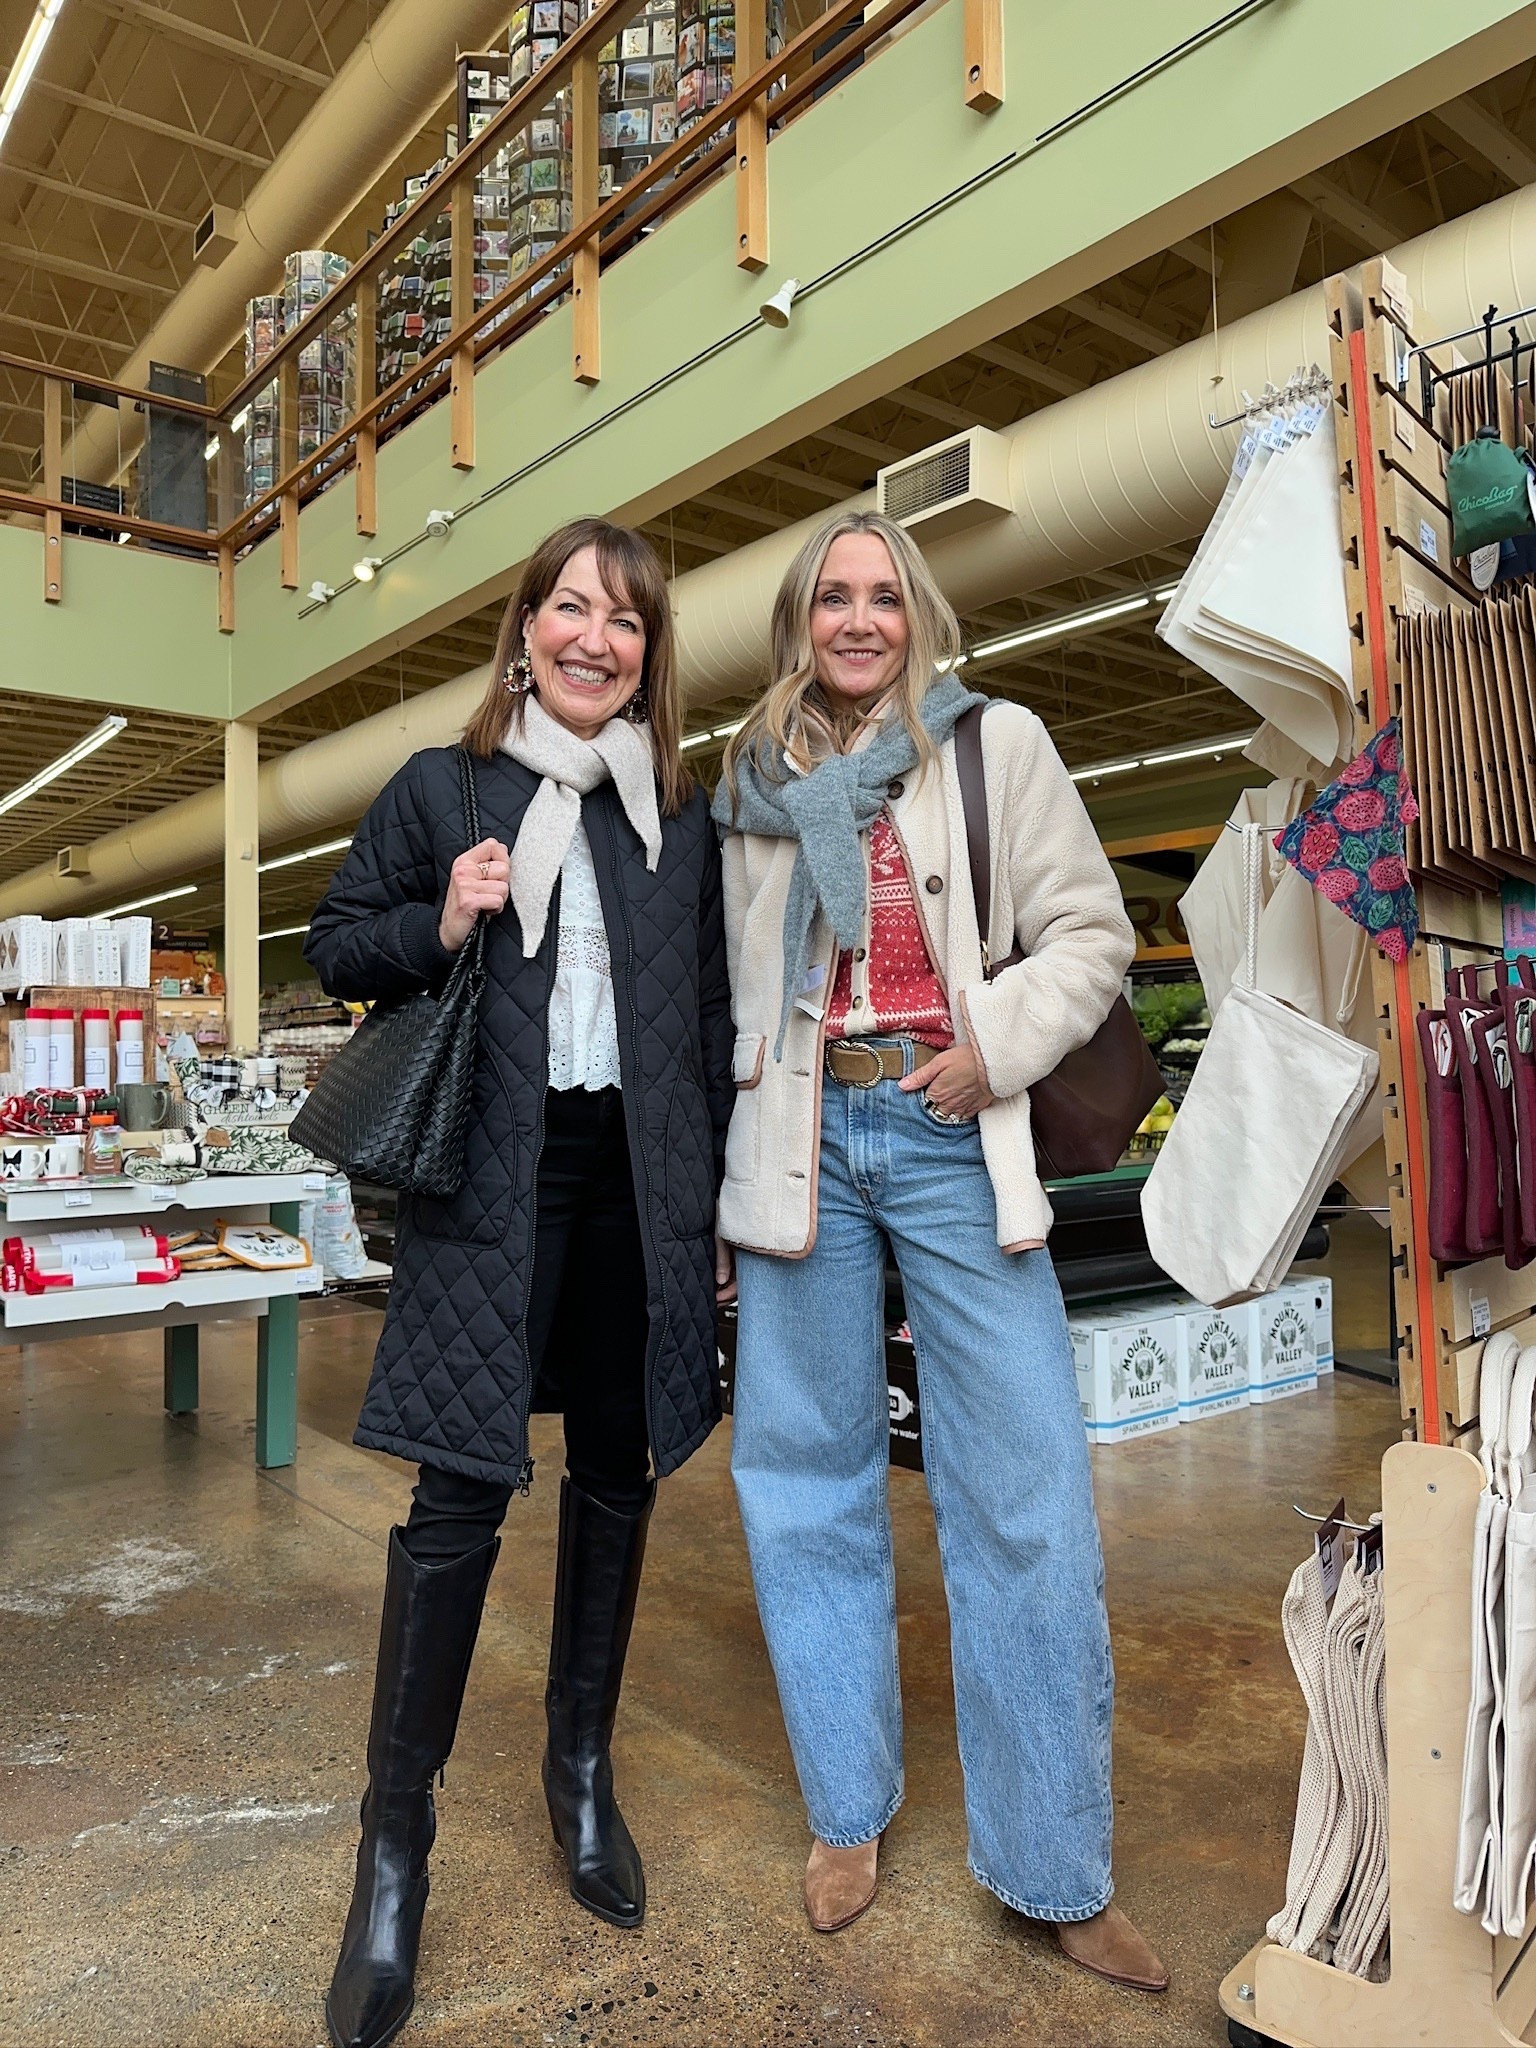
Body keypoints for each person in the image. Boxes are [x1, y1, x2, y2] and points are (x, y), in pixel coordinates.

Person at [713, 509, 1168, 1993]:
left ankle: (1056, 1863)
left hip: (951, 1123)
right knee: (804, 1478)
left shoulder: (993, 745)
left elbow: (1090, 934)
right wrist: (718, 1189)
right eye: (832, 597)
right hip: (801, 1142)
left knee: (1024, 1488)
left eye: (884, 595)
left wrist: (991, 1048)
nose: (859, 620)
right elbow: (728, 998)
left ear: (919, 614)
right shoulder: (750, 781)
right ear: (799, 621)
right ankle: (846, 1811)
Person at [306, 517, 735, 2048]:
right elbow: (336, 944)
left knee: (618, 1466)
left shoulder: (677, 815)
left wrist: (714, 1210)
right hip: (495, 1183)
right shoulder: (447, 787)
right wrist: (442, 918)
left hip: (638, 1189)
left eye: (624, 619)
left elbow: (706, 1020)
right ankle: (393, 1849)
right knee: (458, 1496)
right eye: (569, 608)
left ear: (649, 651)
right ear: (526, 629)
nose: (594, 638)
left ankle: (580, 1771)